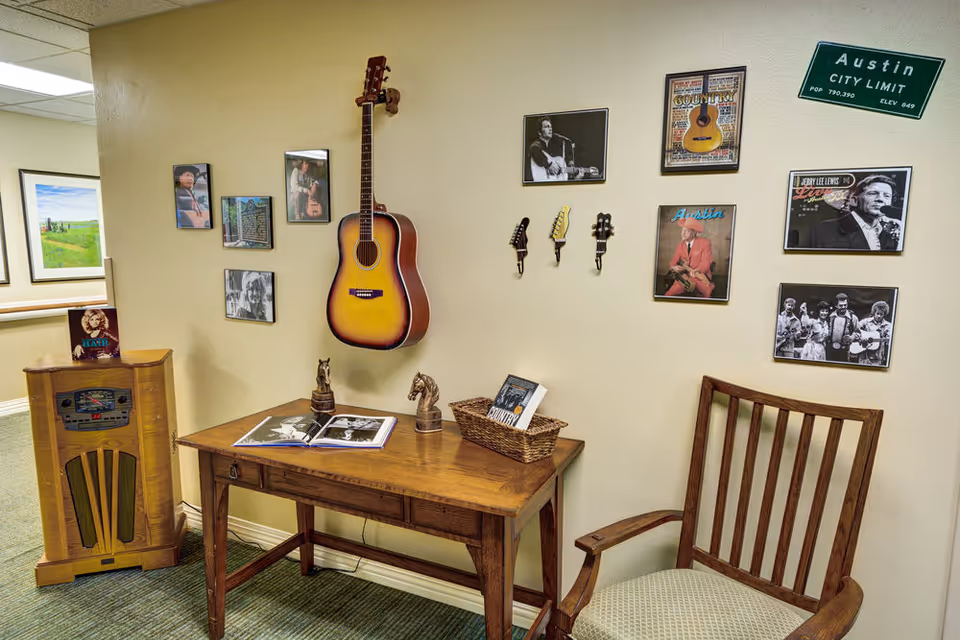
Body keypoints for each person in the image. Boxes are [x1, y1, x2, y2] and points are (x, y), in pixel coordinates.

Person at [811, 175, 902, 250]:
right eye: (873, 193)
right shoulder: (826, 229)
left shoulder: (892, 232)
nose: (880, 199)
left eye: (886, 196)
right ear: (854, 200)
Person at [664, 218, 715, 298]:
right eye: (682, 230)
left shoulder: (705, 243)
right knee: (668, 296)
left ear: (694, 232)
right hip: (683, 278)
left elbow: (706, 262)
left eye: (687, 231)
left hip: (700, 278)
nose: (683, 233)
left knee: (705, 300)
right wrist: (674, 267)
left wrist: (697, 270)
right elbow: (674, 261)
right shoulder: (680, 245)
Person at [528, 117, 575, 181]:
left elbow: (568, 142)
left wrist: (570, 160)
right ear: (539, 132)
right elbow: (534, 150)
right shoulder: (537, 143)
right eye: (546, 127)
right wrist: (549, 165)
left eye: (550, 127)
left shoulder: (552, 146)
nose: (550, 129)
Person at [853, 301, 893, 366]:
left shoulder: (888, 326)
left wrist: (887, 339)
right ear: (874, 312)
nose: (879, 316)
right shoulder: (866, 322)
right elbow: (855, 329)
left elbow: (889, 340)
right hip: (864, 355)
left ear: (884, 314)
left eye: (881, 314)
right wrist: (860, 337)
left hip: (878, 357)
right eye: (877, 313)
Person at [825, 293, 860, 362]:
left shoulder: (853, 317)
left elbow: (858, 332)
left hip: (845, 351)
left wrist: (852, 337)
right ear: (836, 305)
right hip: (830, 350)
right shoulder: (830, 316)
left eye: (845, 305)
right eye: (841, 305)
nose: (843, 307)